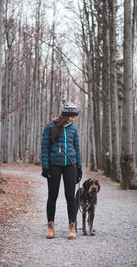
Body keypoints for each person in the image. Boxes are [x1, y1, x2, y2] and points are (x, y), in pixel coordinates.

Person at [41, 99, 82, 240]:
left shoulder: (73, 129)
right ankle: (50, 226)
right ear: (64, 115)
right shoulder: (50, 127)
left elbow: (77, 149)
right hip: (54, 166)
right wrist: (45, 167)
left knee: (71, 197)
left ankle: (72, 226)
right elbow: (45, 148)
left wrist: (79, 167)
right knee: (52, 196)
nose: (72, 119)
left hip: (71, 165)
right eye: (71, 116)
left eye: (74, 116)